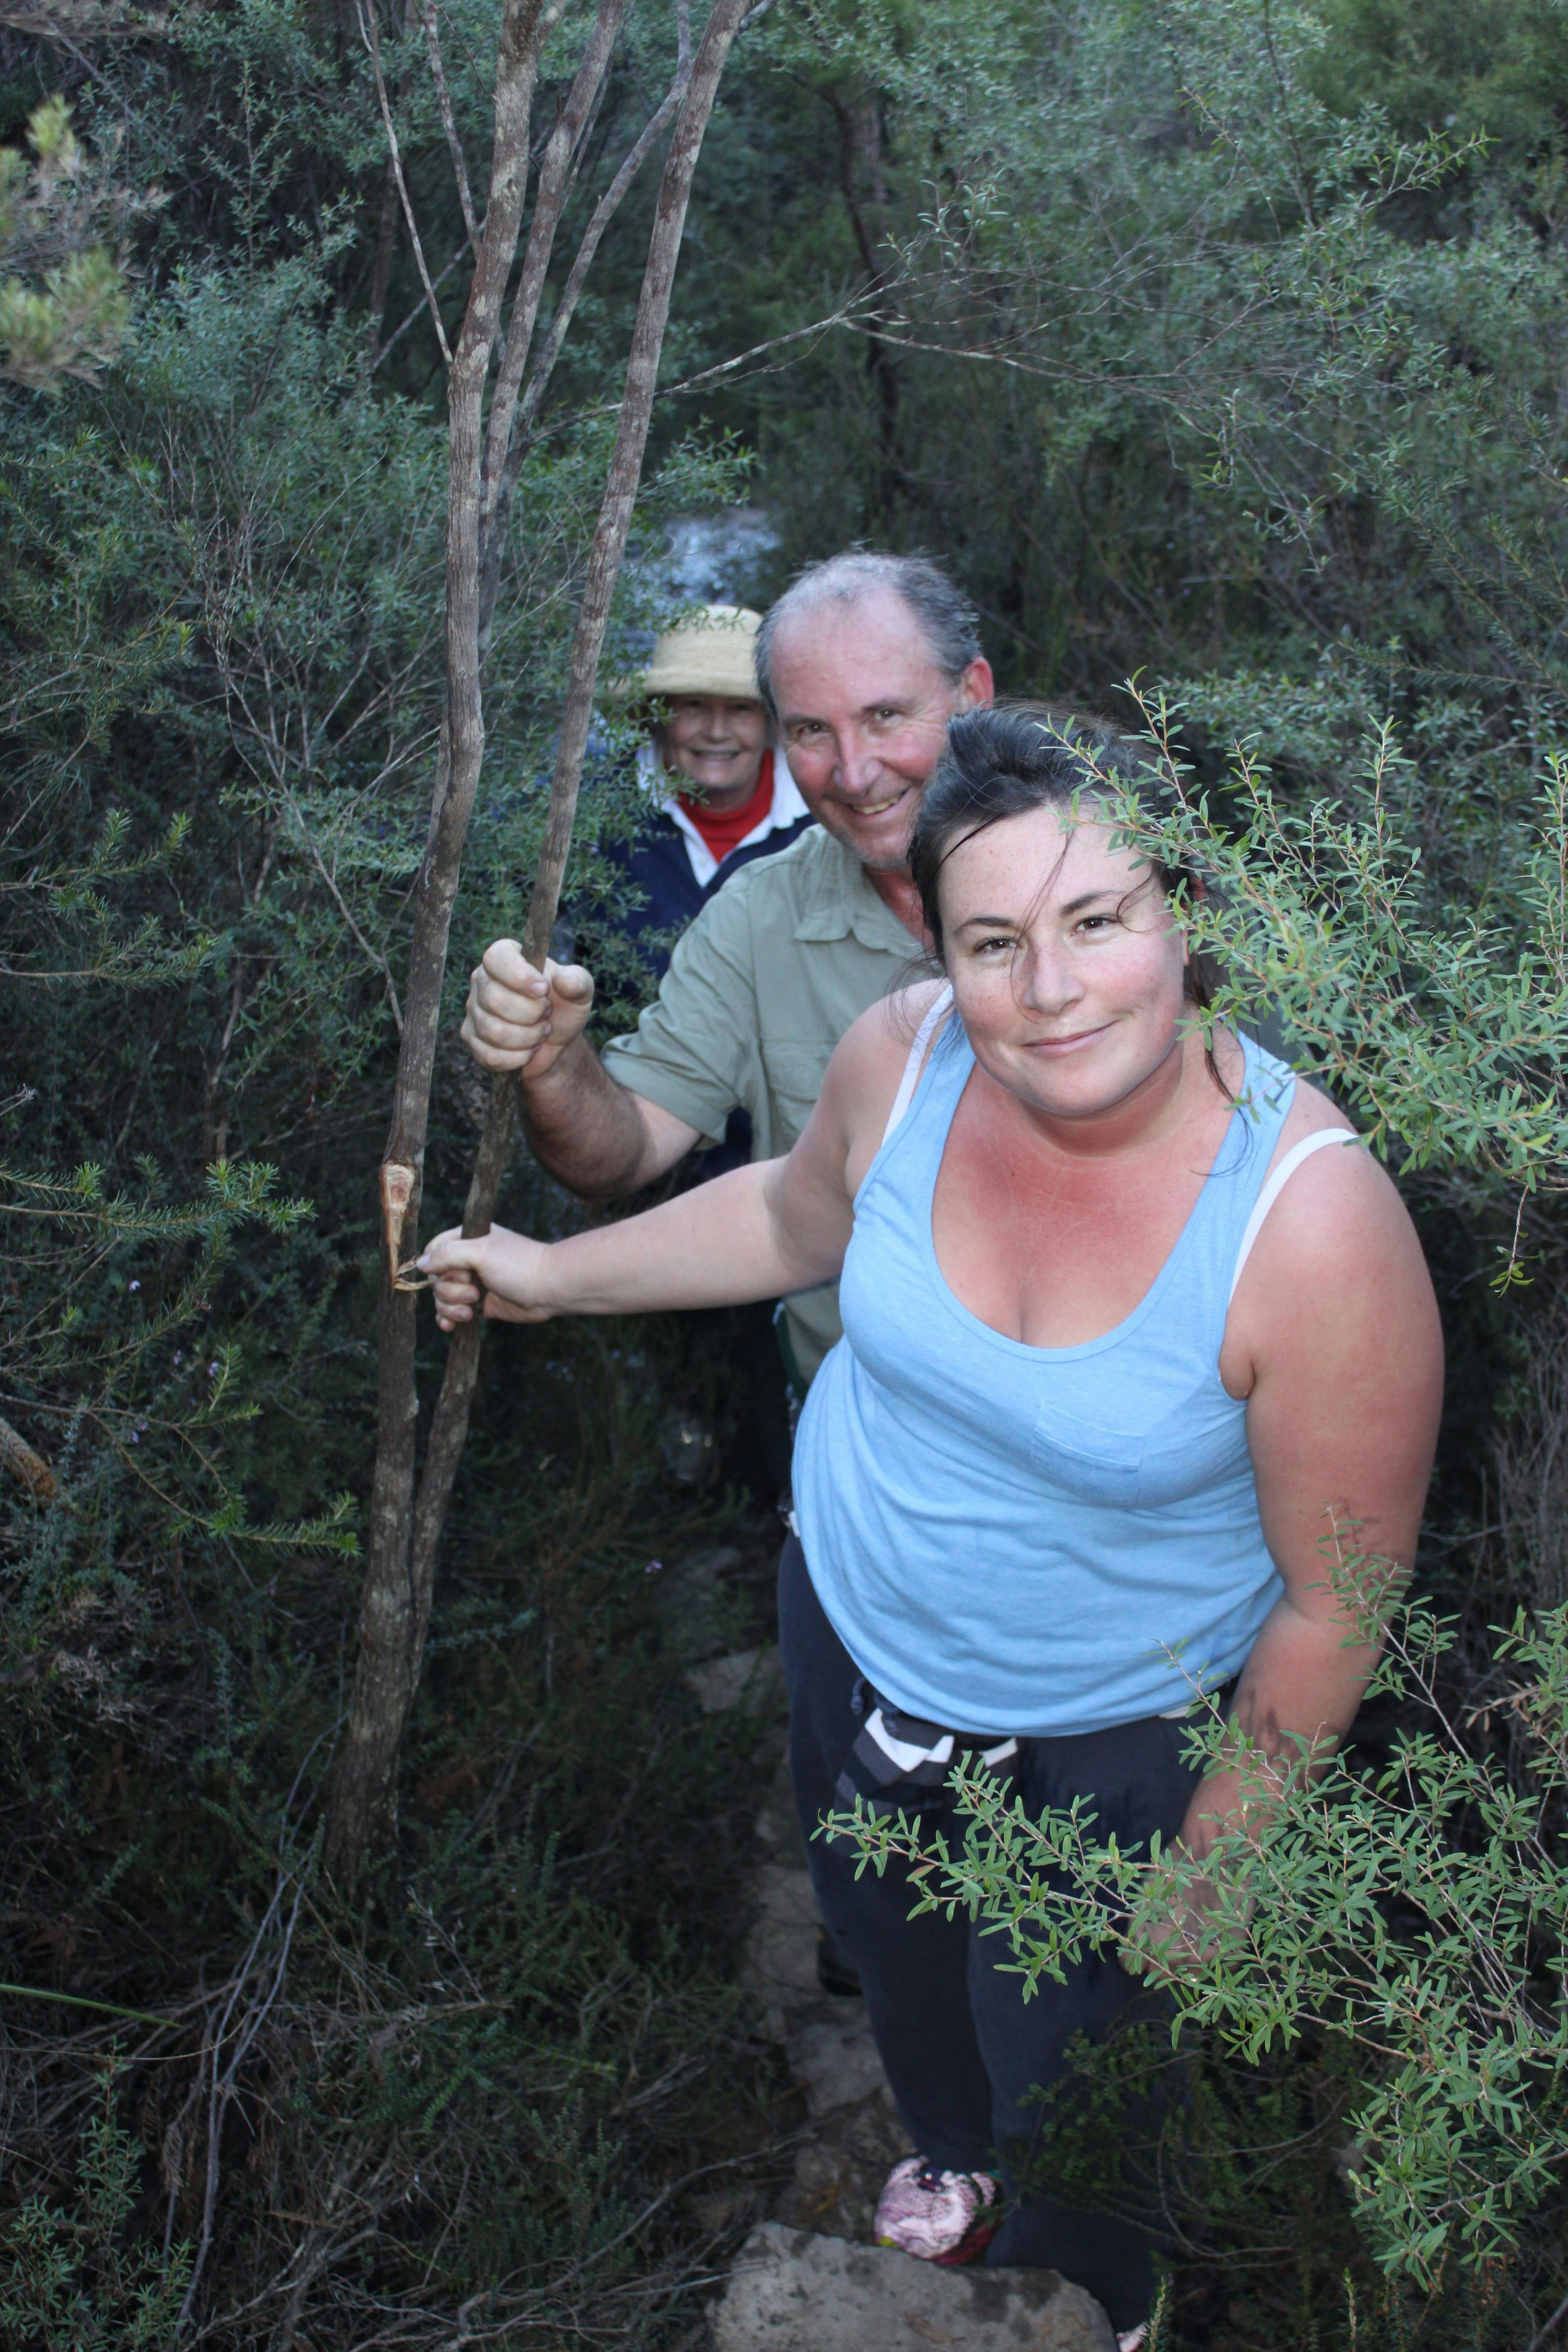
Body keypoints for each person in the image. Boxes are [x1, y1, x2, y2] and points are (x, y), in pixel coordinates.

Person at [422, 706, 1443, 2337]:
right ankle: (950, 2154)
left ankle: (1092, 2299)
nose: (1046, 991)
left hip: (1111, 1720)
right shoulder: (899, 1060)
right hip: (856, 1621)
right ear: (936, 942)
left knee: (1083, 2070)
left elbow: (1334, 1603)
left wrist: (1221, 1854)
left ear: (1181, 910)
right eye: (992, 940)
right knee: (888, 1938)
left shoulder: (1305, 1224)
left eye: (1094, 921)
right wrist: (549, 1277)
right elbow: (780, 1212)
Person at [460, 550, 995, 1390]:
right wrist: (554, 1064)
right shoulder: (758, 910)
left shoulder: (1111, 873)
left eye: (886, 715)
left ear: (972, 695)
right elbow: (642, 1152)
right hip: (851, 1439)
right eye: (813, 730)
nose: (853, 772)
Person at [593, 602, 814, 983]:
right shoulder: (595, 806)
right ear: (657, 716)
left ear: (771, 722)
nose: (716, 731)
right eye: (694, 706)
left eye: (740, 709)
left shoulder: (821, 811)